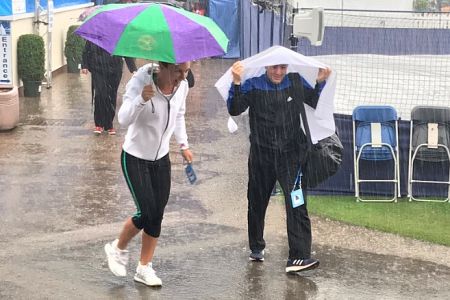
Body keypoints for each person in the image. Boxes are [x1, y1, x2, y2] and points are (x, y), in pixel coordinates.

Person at [227, 61, 331, 273]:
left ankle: (299, 257)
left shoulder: (294, 81)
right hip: (261, 157)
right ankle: (256, 247)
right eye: (274, 68)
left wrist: (320, 82)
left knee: (297, 204)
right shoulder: (254, 85)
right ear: (266, 67)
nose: (278, 72)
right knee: (256, 204)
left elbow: (315, 103)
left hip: (290, 157)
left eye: (282, 67)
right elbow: (235, 109)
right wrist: (236, 83)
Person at [104, 61, 193, 287]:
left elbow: (179, 115)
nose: (182, 77)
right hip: (134, 156)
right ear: (162, 66)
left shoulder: (181, 86)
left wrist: (183, 145)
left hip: (161, 158)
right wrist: (141, 99)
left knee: (157, 215)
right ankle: (117, 248)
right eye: (177, 71)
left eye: (186, 71)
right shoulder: (141, 80)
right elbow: (123, 119)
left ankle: (144, 267)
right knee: (147, 211)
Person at [81, 41, 137, 135]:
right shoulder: (95, 35)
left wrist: (133, 69)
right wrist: (84, 65)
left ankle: (108, 124)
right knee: (100, 94)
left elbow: (126, 52)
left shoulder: (118, 37)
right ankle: (98, 123)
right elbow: (86, 51)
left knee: (111, 95)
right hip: (98, 69)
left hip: (114, 70)